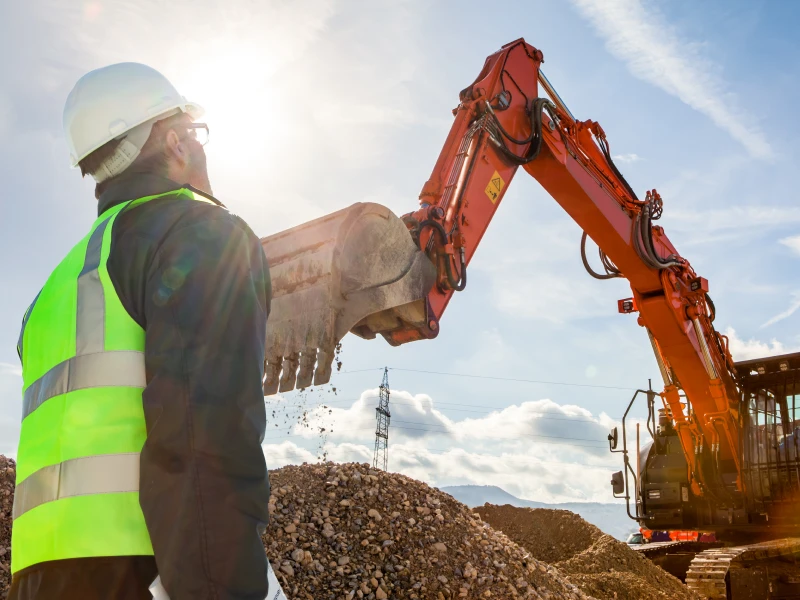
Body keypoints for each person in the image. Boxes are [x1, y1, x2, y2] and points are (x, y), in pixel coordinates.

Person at [10, 63, 272, 600]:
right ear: (176, 142)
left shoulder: (54, 290)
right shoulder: (195, 232)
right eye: (195, 135)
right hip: (141, 572)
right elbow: (204, 441)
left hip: (36, 578)